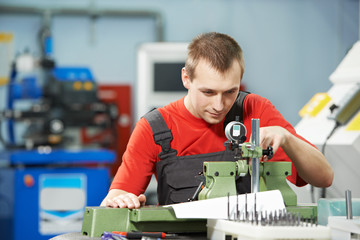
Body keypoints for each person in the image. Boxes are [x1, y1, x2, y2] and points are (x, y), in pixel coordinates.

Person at [101, 32, 334, 209]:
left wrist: (287, 138)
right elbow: (115, 199)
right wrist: (119, 201)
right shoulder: (155, 128)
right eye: (208, 92)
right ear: (186, 78)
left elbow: (323, 178)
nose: (219, 105)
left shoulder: (256, 109)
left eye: (230, 92)